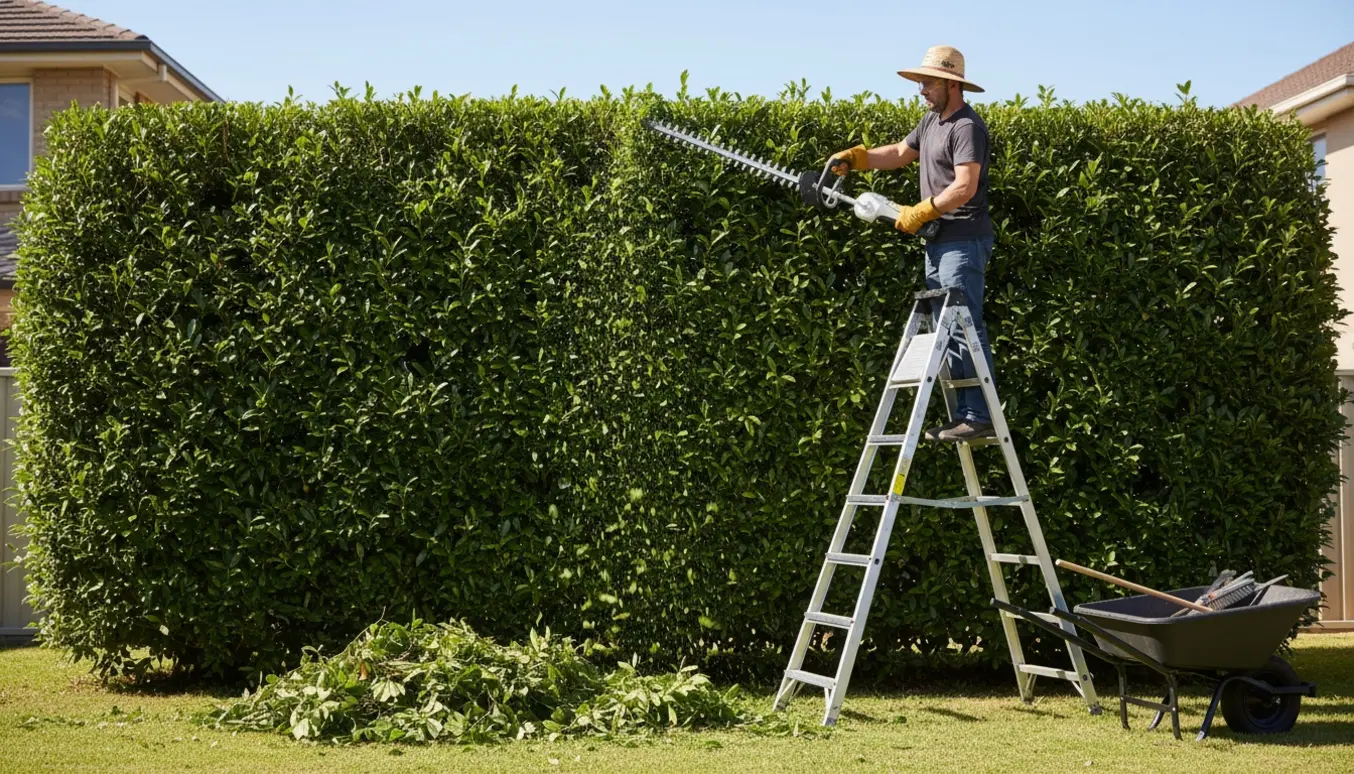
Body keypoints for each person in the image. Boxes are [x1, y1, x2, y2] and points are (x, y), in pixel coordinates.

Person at [827, 45, 995, 442]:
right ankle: (965, 415)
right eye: (920, 81)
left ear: (952, 84)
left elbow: (965, 186)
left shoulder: (966, 127)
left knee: (964, 324)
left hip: (963, 240)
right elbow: (900, 153)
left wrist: (921, 211)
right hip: (938, 244)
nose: (921, 89)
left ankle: (978, 414)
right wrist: (859, 158)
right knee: (944, 327)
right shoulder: (931, 122)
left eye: (928, 82)